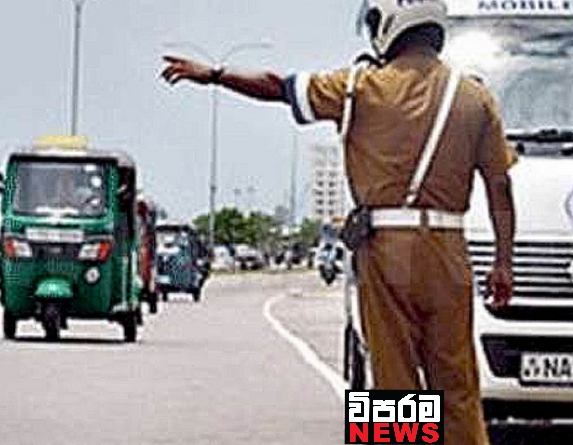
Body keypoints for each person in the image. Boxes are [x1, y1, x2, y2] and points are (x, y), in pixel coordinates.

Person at [161, 0, 515, 443]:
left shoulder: (356, 88)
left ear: (389, 25)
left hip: (384, 248)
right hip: (449, 249)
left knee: (390, 378)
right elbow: (500, 186)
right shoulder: (474, 97)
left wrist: (214, 74)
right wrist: (503, 263)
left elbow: (277, 86)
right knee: (458, 383)